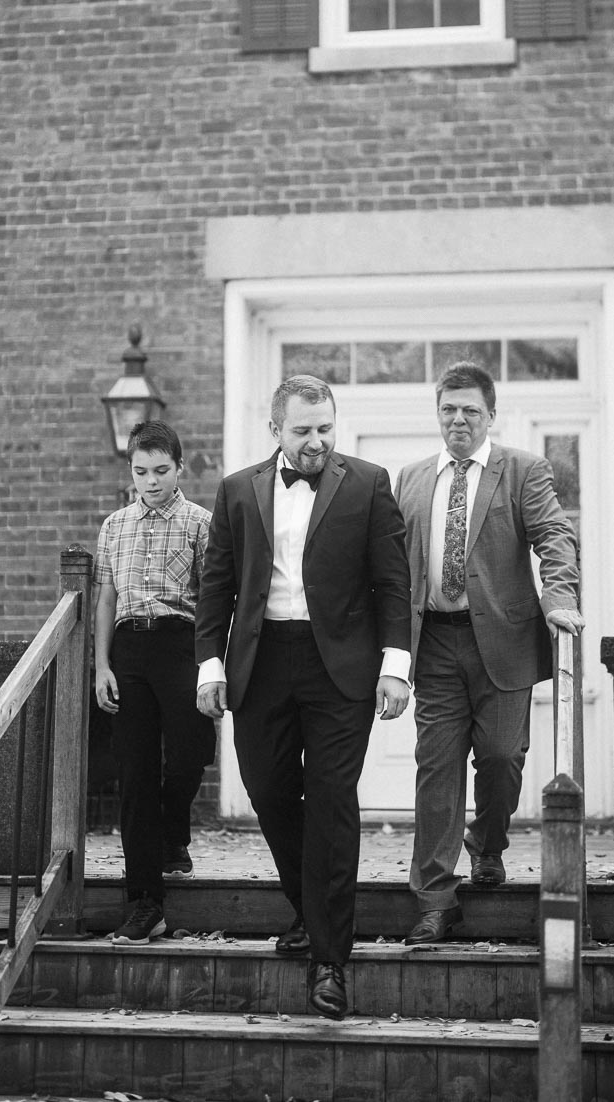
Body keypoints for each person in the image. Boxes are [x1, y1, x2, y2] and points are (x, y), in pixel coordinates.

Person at [195, 374, 411, 1020]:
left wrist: (395, 667)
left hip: (340, 667)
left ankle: (330, 962)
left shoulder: (369, 484)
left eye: (324, 428)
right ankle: (312, 906)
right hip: (260, 664)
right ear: (276, 431)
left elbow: (392, 586)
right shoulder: (238, 491)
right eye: (303, 430)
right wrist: (209, 666)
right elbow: (217, 586)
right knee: (265, 787)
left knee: (331, 803)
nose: (316, 441)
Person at [394, 362, 585, 945]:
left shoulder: (523, 470)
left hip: (502, 640)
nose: (459, 419)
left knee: (502, 759)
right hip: (435, 645)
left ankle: (488, 842)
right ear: (438, 413)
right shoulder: (412, 477)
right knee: (437, 770)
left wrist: (560, 597)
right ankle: (434, 900)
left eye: (470, 410)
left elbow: (555, 537)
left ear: (490, 415)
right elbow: (392, 562)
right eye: (449, 409)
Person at [93, 419, 215, 944]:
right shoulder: (113, 526)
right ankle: (145, 901)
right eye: (141, 471)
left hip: (180, 642)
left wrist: (214, 666)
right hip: (129, 650)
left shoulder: (201, 523)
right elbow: (105, 598)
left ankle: (173, 830)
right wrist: (101, 665)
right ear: (131, 470)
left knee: (191, 752)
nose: (151, 481)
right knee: (135, 771)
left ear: (179, 467)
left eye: (161, 470)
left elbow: (213, 602)